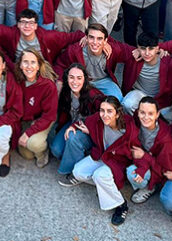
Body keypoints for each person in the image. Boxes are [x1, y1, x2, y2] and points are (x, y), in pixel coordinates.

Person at [59, 96, 137, 225]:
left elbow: (136, 149)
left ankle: (121, 205)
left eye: (109, 111)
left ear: (117, 113)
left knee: (99, 175)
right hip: (102, 156)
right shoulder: (98, 119)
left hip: (118, 163)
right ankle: (105, 186)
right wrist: (73, 126)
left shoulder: (129, 127)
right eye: (102, 110)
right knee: (78, 171)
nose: (105, 115)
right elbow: (83, 120)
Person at [53, 22, 124, 100]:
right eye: (91, 37)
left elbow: (128, 51)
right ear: (86, 38)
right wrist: (59, 80)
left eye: (99, 38)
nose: (95, 42)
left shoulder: (111, 49)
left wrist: (139, 50)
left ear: (105, 40)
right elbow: (60, 64)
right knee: (78, 102)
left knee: (117, 99)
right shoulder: (75, 50)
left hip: (103, 80)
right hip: (82, 80)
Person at [126, 96, 172, 204]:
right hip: (140, 160)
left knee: (131, 173)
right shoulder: (136, 121)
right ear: (137, 112)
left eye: (150, 114)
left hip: (157, 169)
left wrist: (144, 156)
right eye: (142, 112)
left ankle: (151, 186)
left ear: (157, 114)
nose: (145, 117)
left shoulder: (165, 138)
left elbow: (166, 169)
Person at [14, 49, 58, 168]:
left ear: (38, 66)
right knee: (27, 154)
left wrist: (28, 133)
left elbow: (50, 115)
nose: (29, 66)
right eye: (25, 62)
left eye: (33, 62)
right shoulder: (18, 81)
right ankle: (34, 140)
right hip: (27, 119)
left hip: (45, 117)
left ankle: (43, 153)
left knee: (33, 144)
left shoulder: (47, 85)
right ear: (20, 65)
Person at [119, 33, 172, 115]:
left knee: (164, 118)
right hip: (139, 94)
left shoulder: (168, 62)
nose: (147, 53)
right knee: (127, 104)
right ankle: (135, 123)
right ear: (138, 48)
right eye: (143, 49)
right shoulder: (133, 56)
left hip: (160, 100)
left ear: (157, 49)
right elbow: (114, 44)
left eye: (151, 49)